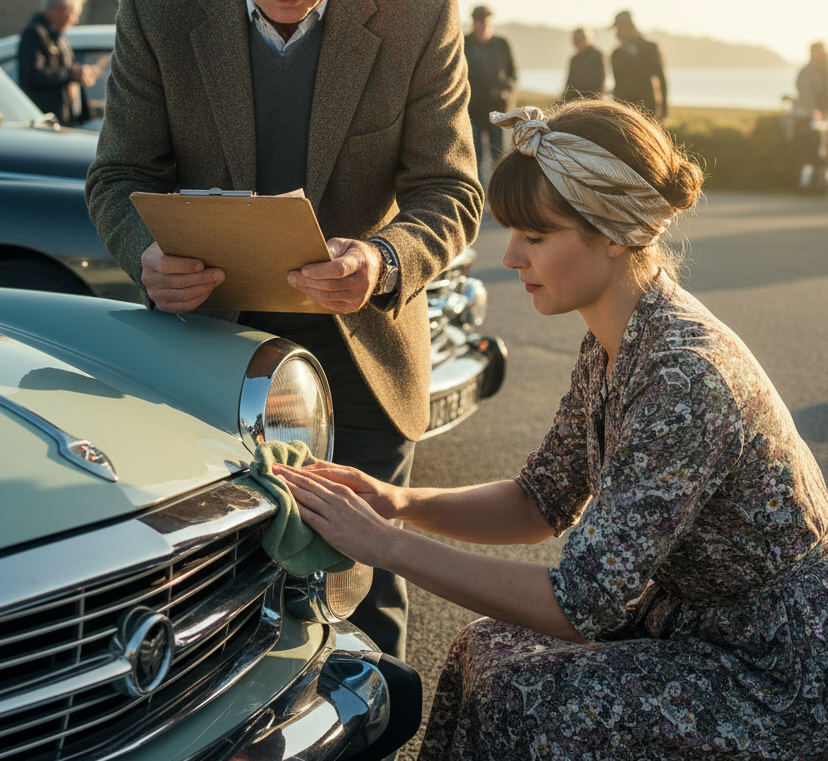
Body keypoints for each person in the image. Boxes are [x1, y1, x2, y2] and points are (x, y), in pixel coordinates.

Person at [275, 98, 828, 760]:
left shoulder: (686, 374)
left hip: (772, 671)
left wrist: (383, 545)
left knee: (527, 696)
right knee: (483, 648)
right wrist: (395, 503)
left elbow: (580, 605)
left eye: (535, 236)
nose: (508, 257)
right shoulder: (616, 338)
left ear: (616, 231)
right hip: (693, 627)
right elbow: (539, 500)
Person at [85, 0, 483, 661]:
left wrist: (381, 260)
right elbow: (117, 177)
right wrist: (145, 258)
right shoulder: (156, 6)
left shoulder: (421, 15)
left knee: (363, 599)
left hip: (365, 347)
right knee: (203, 591)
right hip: (203, 343)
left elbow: (451, 192)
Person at [18, 0, 98, 125]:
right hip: (49, 118)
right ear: (59, 8)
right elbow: (32, 75)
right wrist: (71, 74)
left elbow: (67, 69)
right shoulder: (35, 34)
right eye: (73, 13)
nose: (75, 20)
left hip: (65, 117)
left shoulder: (59, 37)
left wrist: (82, 74)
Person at [464, 4, 517, 174]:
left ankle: (500, 196)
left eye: (485, 22)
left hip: (498, 111)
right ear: (473, 23)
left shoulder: (502, 44)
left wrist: (503, 89)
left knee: (500, 157)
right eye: (478, 22)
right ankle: (478, 198)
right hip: (472, 111)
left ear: (491, 23)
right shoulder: (464, 43)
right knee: (473, 159)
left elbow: (513, 75)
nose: (482, 26)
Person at [610, 9, 668, 120]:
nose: (617, 32)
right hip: (623, 110)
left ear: (629, 26)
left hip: (646, 108)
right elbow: (618, 83)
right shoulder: (616, 54)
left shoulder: (649, 48)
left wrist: (664, 110)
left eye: (619, 28)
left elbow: (660, 78)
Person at [794, 40, 828, 191]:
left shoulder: (824, 69)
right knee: (810, 151)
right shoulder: (806, 71)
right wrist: (815, 110)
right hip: (810, 118)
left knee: (823, 152)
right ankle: (806, 183)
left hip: (824, 116)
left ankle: (822, 182)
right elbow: (805, 91)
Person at [562, 26, 605, 100]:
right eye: (575, 40)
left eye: (579, 39)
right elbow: (569, 82)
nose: (577, 42)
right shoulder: (574, 59)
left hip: (591, 100)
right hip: (575, 99)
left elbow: (600, 80)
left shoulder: (596, 56)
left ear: (586, 39)